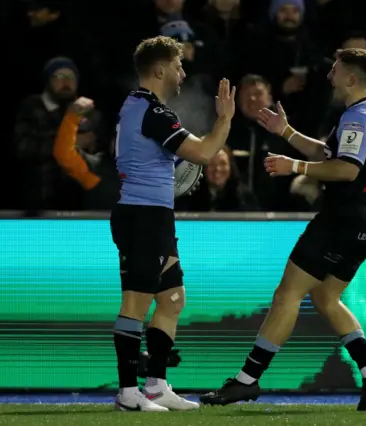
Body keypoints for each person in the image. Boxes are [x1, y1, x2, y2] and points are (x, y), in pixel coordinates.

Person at [200, 48, 366, 411]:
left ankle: (246, 381)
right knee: (325, 298)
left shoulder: (356, 118)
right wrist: (285, 131)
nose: (330, 75)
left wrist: (295, 167)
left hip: (342, 219)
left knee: (287, 294)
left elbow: (346, 170)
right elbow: (330, 154)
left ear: (352, 78)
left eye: (336, 69)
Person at [109, 35, 236, 412]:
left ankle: (157, 386)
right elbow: (203, 152)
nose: (183, 73)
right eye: (178, 66)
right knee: (136, 302)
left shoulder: (140, 107)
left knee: (172, 299)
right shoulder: (152, 111)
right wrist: (225, 118)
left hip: (154, 217)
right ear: (160, 69)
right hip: (142, 217)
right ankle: (128, 393)